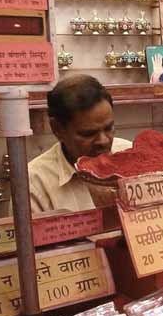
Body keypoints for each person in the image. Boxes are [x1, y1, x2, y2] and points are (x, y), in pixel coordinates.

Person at [27, 74, 132, 213]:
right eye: (88, 133)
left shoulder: (130, 153)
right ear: (57, 129)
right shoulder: (34, 182)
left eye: (108, 128)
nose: (104, 140)